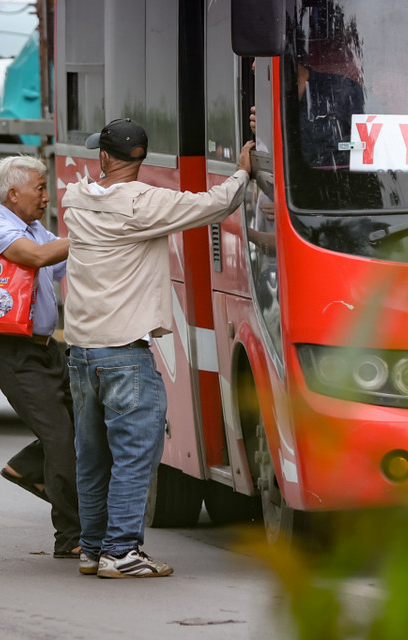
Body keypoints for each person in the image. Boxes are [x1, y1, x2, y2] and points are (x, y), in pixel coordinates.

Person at [62, 118, 254, 578]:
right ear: (141, 158)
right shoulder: (146, 204)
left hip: (81, 353)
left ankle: (91, 549)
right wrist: (243, 171)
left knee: (92, 456)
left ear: (105, 158)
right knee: (134, 454)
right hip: (125, 355)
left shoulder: (76, 199)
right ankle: (122, 552)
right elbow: (213, 205)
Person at [0, 155, 82, 559]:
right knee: (60, 438)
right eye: (40, 189)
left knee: (81, 424)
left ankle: (26, 466)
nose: (45, 196)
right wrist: (93, 234)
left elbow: (61, 267)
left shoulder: (36, 227)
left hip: (47, 349)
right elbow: (39, 258)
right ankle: (70, 536)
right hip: (14, 352)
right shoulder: (0, 229)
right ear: (13, 193)